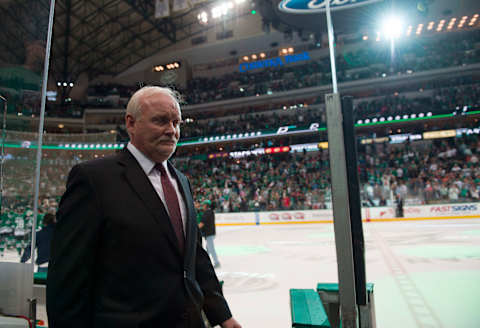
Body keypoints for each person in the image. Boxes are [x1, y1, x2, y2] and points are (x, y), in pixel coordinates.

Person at [47, 86, 241, 328]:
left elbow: (194, 257)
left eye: (176, 122)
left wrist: (222, 315)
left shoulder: (181, 180)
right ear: (131, 123)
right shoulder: (93, 179)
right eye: (160, 121)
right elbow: (67, 280)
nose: (171, 130)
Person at [198, 200, 220, 268]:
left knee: (211, 249)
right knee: (208, 249)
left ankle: (216, 262)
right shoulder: (210, 212)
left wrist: (195, 229)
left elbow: (202, 223)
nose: (202, 206)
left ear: (206, 205)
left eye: (203, 205)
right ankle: (206, 262)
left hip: (209, 234)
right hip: (211, 233)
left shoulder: (207, 213)